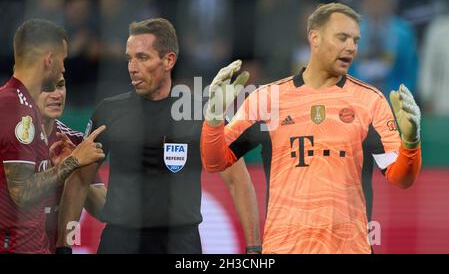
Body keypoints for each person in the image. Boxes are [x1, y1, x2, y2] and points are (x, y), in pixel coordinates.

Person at [200, 3, 422, 254]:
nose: (351, 47)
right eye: (342, 38)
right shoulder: (268, 100)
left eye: (356, 40)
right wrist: (215, 118)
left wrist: (411, 141)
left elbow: (402, 179)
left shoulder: (370, 102)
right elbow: (214, 161)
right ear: (314, 38)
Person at [57, 18, 261, 254]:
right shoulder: (109, 111)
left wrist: (254, 248)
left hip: (180, 243)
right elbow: (80, 180)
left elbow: (239, 181)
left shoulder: (201, 114)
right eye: (129, 58)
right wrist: (65, 245)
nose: (132, 67)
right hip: (120, 241)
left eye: (142, 57)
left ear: (168, 60)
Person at [0, 19, 106, 254]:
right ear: (49, 59)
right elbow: (23, 192)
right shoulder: (14, 108)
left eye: (62, 86)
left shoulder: (70, 138)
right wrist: (73, 162)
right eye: (63, 60)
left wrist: (79, 170)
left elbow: (103, 210)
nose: (64, 68)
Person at [37, 75, 107, 253]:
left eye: (60, 85)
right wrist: (64, 168)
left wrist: (75, 169)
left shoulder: (75, 141)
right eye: (46, 87)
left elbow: (102, 210)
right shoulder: (8, 137)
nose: (56, 94)